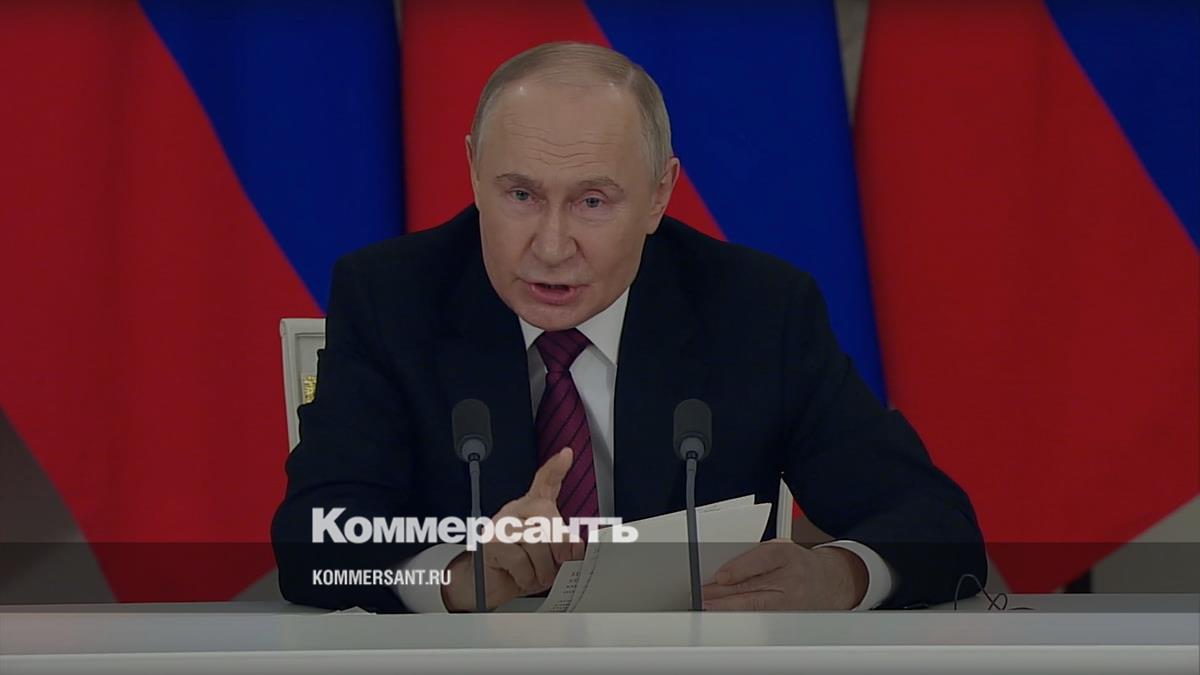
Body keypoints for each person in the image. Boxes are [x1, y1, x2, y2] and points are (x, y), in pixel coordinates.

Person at [271, 41, 985, 613]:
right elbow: (315, 538)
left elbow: (935, 522)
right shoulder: (392, 297)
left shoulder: (758, 310)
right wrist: (456, 574)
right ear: (473, 173)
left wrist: (836, 577)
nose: (552, 246)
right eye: (520, 194)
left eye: (592, 201)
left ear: (658, 195)